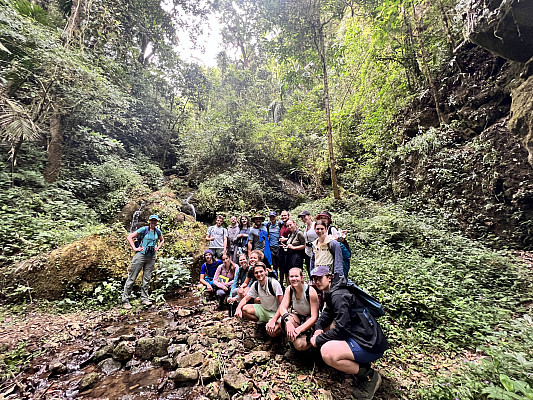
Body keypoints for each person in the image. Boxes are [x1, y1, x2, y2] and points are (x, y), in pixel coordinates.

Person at [310, 265, 389, 400]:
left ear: (329, 277)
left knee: (327, 352)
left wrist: (318, 339)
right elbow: (326, 315)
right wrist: (318, 329)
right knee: (328, 329)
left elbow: (342, 330)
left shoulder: (339, 295)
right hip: (362, 337)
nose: (317, 282)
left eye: (320, 278)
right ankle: (356, 364)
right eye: (314, 279)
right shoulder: (334, 291)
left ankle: (369, 376)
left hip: (370, 344)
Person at [266, 267, 319, 351]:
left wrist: (299, 330)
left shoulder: (310, 292)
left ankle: (309, 345)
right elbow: (283, 307)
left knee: (300, 345)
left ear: (302, 277)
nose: (294, 279)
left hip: (309, 322)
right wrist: (288, 322)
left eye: (296, 276)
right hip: (297, 317)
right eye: (291, 276)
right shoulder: (289, 290)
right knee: (278, 324)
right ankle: (287, 342)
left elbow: (314, 317)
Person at [122, 215, 165, 309]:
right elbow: (130, 237)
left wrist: (157, 247)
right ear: (149, 221)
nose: (153, 222)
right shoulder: (143, 229)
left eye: (155, 221)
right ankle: (125, 300)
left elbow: (162, 240)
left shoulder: (158, 231)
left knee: (147, 278)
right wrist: (135, 248)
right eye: (152, 220)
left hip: (151, 257)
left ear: (157, 222)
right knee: (132, 277)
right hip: (140, 255)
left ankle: (144, 298)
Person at [234, 262, 284, 336]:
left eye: (261, 271)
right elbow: (245, 299)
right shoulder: (256, 285)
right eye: (256, 272)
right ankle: (262, 324)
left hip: (276, 312)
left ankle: (276, 331)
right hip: (264, 309)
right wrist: (238, 309)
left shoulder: (273, 283)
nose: (259, 274)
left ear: (265, 271)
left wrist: (274, 320)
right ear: (254, 274)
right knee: (245, 309)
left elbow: (282, 304)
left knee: (272, 332)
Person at [281, 219, 305, 285]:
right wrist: (285, 246)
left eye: (290, 225)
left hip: (297, 257)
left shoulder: (299, 233)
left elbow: (304, 245)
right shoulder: (290, 234)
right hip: (289, 256)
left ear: (294, 224)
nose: (289, 227)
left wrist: (294, 248)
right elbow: (289, 244)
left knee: (297, 273)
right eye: (287, 226)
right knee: (289, 273)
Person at [299, 210, 317, 275]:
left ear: (309, 216)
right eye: (302, 218)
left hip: (315, 251)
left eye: (304, 217)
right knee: (309, 270)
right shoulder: (306, 227)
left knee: (315, 270)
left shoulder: (315, 225)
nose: (303, 219)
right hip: (307, 252)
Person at [265, 211, 283, 276]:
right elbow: (260, 224)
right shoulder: (268, 224)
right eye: (271, 217)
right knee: (272, 264)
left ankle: (280, 282)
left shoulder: (280, 224)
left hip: (278, 247)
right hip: (271, 247)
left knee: (279, 265)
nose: (272, 218)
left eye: (273, 217)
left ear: (276, 217)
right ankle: (274, 277)